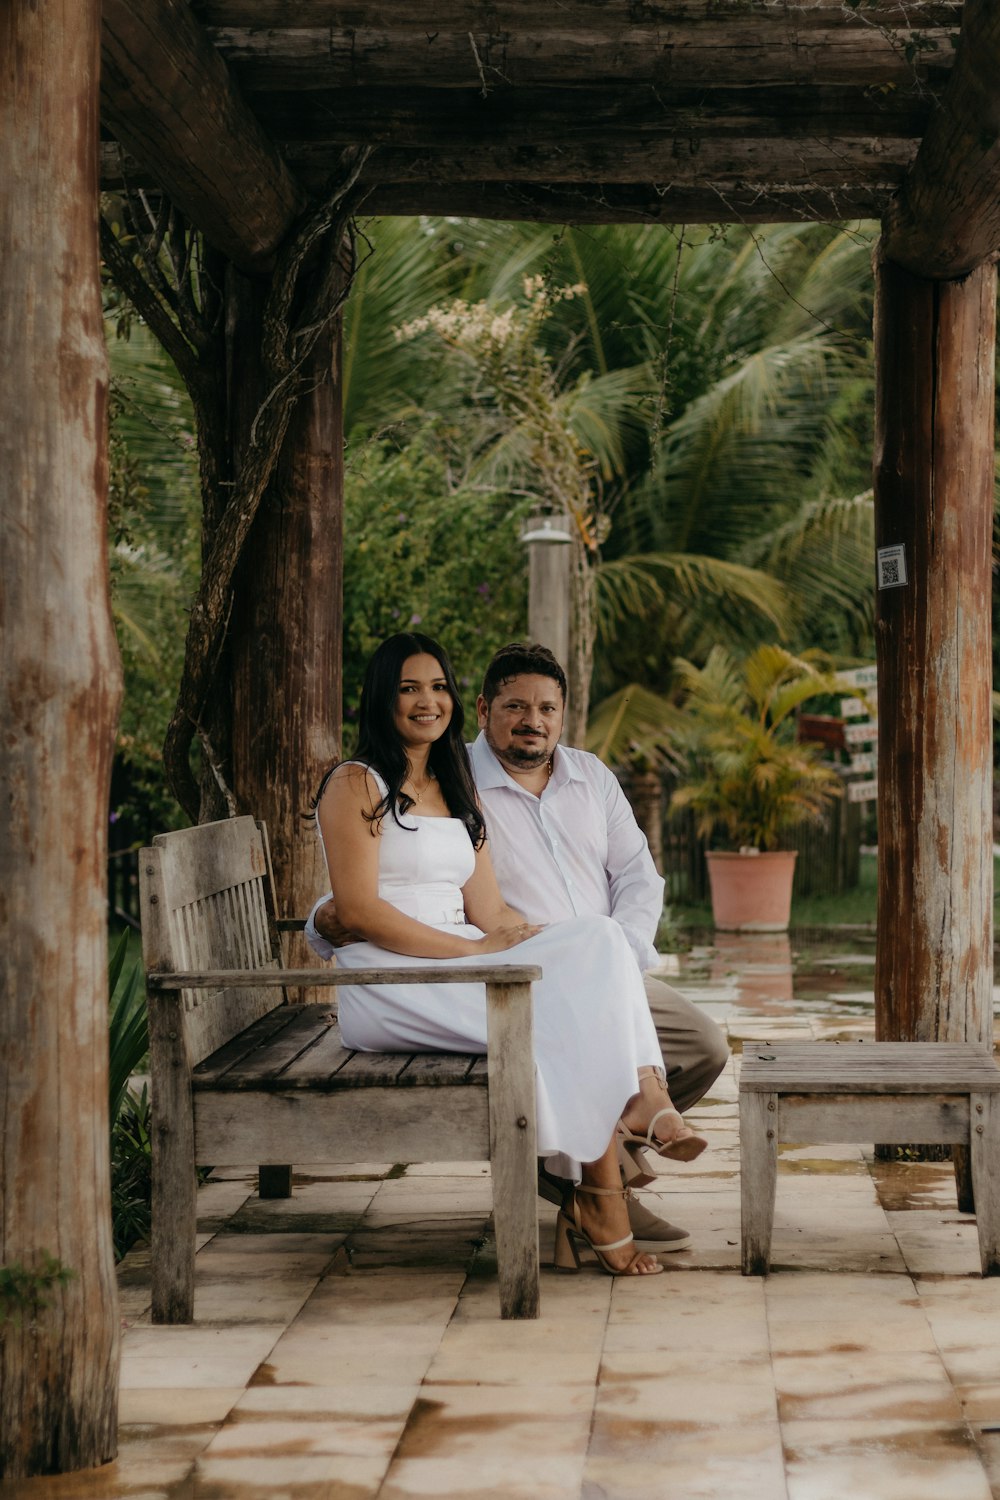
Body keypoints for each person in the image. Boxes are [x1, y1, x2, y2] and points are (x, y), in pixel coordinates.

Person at [310, 631, 707, 1278]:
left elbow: (494, 915)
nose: (427, 701)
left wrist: (543, 947)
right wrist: (477, 952)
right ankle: (609, 1180)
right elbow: (357, 913)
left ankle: (630, 1127)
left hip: (458, 960)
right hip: (391, 977)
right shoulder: (354, 782)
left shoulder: (451, 784)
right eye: (409, 687)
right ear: (381, 696)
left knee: (599, 939)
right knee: (564, 1015)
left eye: (437, 686)